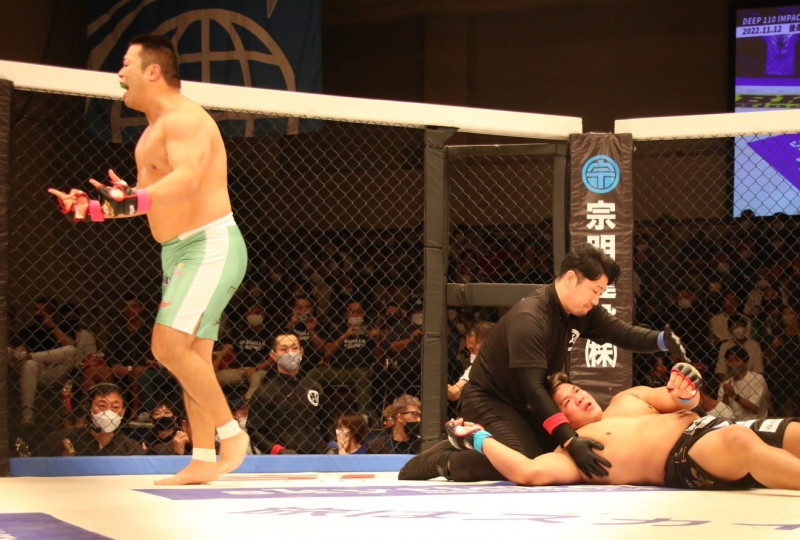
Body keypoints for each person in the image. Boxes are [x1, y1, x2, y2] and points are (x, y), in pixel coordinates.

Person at [47, 34, 248, 484]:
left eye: (126, 63)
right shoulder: (152, 132)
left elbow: (188, 179)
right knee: (192, 358)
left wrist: (129, 201)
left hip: (208, 244)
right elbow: (146, 199)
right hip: (178, 250)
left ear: (153, 71)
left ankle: (232, 435)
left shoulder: (183, 118)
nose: (119, 73)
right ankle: (202, 459)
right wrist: (95, 207)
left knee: (168, 346)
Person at [399, 243, 689, 482]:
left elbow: (621, 333)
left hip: (523, 403)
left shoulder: (581, 311)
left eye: (601, 293)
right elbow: (534, 389)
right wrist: (571, 441)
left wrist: (663, 340)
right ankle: (445, 460)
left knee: (551, 456)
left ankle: (461, 444)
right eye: (595, 290)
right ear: (571, 278)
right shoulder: (531, 319)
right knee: (522, 461)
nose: (596, 300)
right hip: (490, 399)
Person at [445, 365, 800, 491]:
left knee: (792, 431)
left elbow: (679, 397)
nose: (579, 397)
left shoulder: (626, 398)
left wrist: (687, 390)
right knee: (739, 441)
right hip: (689, 455)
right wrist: (477, 438)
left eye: (576, 390)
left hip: (721, 424)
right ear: (556, 420)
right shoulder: (573, 451)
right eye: (567, 402)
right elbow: (529, 472)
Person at [14, 302, 97, 425]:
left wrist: (52, 327)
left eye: (42, 311)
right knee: (29, 364)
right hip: (37, 373)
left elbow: (71, 347)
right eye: (36, 310)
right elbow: (18, 350)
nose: (38, 313)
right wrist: (21, 350)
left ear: (52, 313)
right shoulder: (29, 331)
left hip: (58, 372)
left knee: (70, 350)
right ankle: (27, 414)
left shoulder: (62, 328)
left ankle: (30, 357)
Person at [247, 333, 324, 455]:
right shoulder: (264, 392)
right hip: (280, 458)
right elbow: (254, 430)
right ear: (273, 355)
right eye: (283, 349)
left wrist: (332, 444)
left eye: (295, 348)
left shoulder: (314, 387)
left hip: (314, 455)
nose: (290, 353)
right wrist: (278, 450)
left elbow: (327, 420)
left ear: (302, 352)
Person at [82, 295, 153, 419]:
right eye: (127, 307)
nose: (130, 310)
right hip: (119, 367)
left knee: (137, 372)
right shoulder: (118, 329)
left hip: (138, 366)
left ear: (141, 309)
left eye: (134, 307)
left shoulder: (149, 329)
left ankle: (134, 412)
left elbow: (150, 355)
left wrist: (130, 368)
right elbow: (109, 352)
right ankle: (95, 411)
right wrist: (114, 365)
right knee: (91, 372)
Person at [38, 383, 146, 457]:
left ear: (122, 412)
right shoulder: (59, 440)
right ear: (89, 409)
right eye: (102, 406)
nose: (108, 412)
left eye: (115, 407)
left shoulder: (131, 448)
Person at [213, 302, 273, 403]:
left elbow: (273, 358)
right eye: (251, 313)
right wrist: (216, 363)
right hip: (240, 370)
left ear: (264, 315)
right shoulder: (240, 332)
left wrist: (256, 368)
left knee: (256, 379)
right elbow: (228, 347)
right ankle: (221, 404)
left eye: (257, 313)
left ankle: (247, 406)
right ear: (245, 315)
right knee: (214, 378)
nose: (254, 316)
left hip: (260, 370)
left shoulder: (269, 334)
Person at [447, 321, 494, 402]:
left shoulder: (509, 360)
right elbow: (455, 392)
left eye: (473, 349)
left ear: (487, 344)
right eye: (469, 350)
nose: (471, 354)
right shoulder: (476, 367)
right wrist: (433, 380)